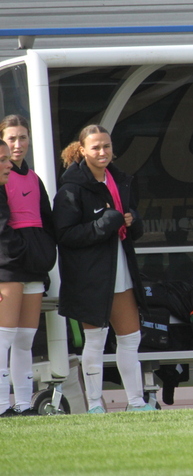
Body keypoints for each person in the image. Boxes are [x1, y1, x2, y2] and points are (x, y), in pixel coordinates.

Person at [54, 125, 155, 412]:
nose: (102, 152)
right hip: (90, 275)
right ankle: (96, 405)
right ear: (83, 150)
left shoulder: (120, 180)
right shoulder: (71, 188)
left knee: (130, 338)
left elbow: (130, 224)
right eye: (96, 147)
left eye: (107, 146)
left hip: (121, 266)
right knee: (95, 339)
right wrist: (105, 223)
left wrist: (133, 219)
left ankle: (136, 403)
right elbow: (65, 235)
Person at [0, 129, 51, 417]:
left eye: (23, 138)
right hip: (9, 269)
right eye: (3, 157)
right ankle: (2, 406)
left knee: (23, 340)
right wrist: (21, 251)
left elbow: (47, 220)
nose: (9, 163)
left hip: (31, 267)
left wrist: (43, 253)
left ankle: (22, 405)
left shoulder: (34, 179)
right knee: (3, 338)